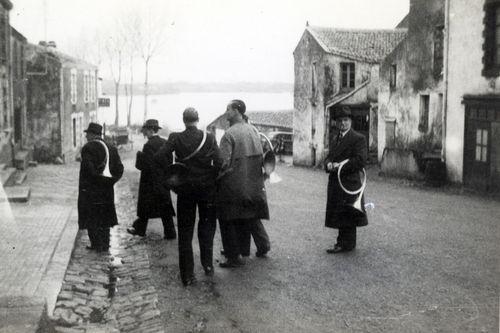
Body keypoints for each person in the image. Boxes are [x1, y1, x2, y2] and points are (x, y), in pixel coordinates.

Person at [156, 107, 221, 286]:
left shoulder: (175, 138)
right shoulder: (209, 137)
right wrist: (210, 177)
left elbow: (159, 156)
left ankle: (187, 276)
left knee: (185, 233)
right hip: (207, 190)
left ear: (184, 121)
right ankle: (208, 265)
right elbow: (220, 162)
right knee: (207, 228)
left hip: (185, 191)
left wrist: (172, 176)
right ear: (197, 120)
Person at [217, 99, 271, 268]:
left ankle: (233, 256)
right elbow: (263, 156)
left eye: (228, 109)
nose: (226, 112)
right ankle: (260, 246)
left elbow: (223, 163)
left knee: (229, 219)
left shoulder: (229, 134)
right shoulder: (254, 130)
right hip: (254, 184)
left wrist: (216, 177)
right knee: (251, 215)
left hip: (234, 186)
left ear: (237, 111)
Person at [324, 106, 368, 253]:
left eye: (346, 120)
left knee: (348, 213)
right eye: (340, 121)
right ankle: (343, 242)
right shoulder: (335, 137)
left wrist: (340, 166)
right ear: (336, 123)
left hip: (349, 182)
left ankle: (347, 244)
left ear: (351, 122)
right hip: (337, 182)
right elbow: (330, 156)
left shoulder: (358, 138)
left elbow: (360, 160)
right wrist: (328, 163)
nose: (343, 123)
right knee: (340, 213)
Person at [127, 119, 176, 239]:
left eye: (146, 131)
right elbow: (170, 162)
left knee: (145, 207)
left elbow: (147, 165)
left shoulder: (148, 145)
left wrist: (140, 157)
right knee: (165, 208)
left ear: (150, 130)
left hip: (150, 181)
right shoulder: (165, 142)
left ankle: (140, 229)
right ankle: (170, 233)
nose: (145, 133)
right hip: (163, 180)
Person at [78, 122, 124, 252]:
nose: (86, 137)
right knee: (105, 215)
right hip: (106, 190)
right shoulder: (111, 147)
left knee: (91, 216)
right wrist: (110, 182)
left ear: (92, 134)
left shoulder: (88, 148)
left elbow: (89, 170)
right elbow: (120, 169)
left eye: (87, 134)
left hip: (91, 190)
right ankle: (105, 243)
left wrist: (96, 181)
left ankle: (96, 244)